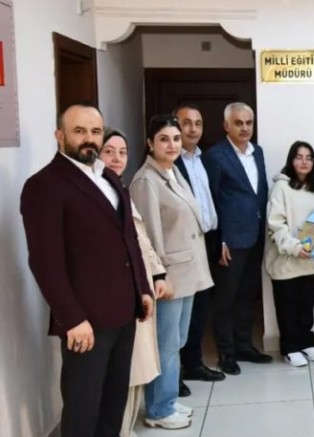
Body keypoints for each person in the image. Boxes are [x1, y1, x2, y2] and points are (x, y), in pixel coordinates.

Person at [20, 103, 154, 437]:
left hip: (124, 312)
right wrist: (72, 318)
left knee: (113, 403)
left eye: (95, 131)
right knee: (83, 409)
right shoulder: (44, 185)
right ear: (60, 135)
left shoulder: (108, 177)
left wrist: (142, 287)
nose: (89, 138)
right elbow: (45, 261)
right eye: (79, 131)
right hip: (86, 322)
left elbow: (128, 238)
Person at [130, 114, 214, 429]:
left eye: (176, 139)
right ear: (150, 143)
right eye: (164, 139)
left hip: (187, 272)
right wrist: (158, 276)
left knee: (176, 341)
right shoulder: (146, 181)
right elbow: (149, 236)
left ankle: (166, 399)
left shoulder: (173, 172)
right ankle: (158, 409)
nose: (172, 145)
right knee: (165, 345)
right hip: (169, 277)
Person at [101, 128, 171, 437]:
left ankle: (125, 429)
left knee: (136, 371)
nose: (117, 159)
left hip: (139, 290)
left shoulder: (122, 190)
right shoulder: (98, 193)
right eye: (109, 152)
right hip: (120, 295)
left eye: (122, 152)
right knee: (124, 373)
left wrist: (157, 274)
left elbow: (140, 240)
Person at [204, 102, 273, 374]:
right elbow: (211, 199)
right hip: (230, 240)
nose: (245, 128)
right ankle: (226, 352)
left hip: (255, 235)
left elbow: (259, 191)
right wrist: (219, 239)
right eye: (238, 123)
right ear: (226, 126)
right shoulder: (215, 156)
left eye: (248, 123)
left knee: (247, 294)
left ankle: (244, 345)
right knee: (226, 297)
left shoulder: (258, 152)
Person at [173, 104, 225, 393]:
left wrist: (220, 239)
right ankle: (174, 374)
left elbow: (213, 200)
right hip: (182, 245)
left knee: (200, 308)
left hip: (207, 241)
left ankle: (193, 364)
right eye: (186, 123)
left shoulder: (204, 160)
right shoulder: (169, 162)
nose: (193, 129)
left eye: (198, 123)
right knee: (179, 313)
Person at [264, 141, 314, 367]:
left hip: (310, 260)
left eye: (309, 158)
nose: (304, 161)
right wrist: (294, 247)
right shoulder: (280, 187)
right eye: (299, 157)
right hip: (287, 259)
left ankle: (306, 343)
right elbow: (275, 224)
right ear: (291, 160)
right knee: (287, 307)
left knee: (306, 306)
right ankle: (290, 348)